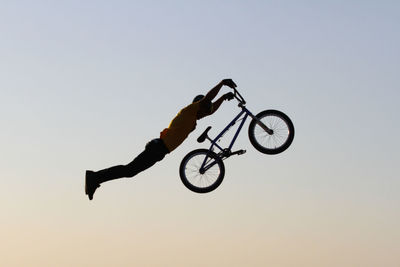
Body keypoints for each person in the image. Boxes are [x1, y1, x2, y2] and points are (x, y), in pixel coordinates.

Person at [85, 79, 237, 200]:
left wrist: (223, 98)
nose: (205, 114)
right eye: (205, 110)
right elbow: (208, 99)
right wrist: (222, 84)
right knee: (129, 170)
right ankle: (95, 177)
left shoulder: (193, 119)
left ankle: (95, 177)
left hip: (159, 150)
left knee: (130, 171)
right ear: (200, 105)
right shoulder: (190, 110)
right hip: (157, 147)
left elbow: (211, 110)